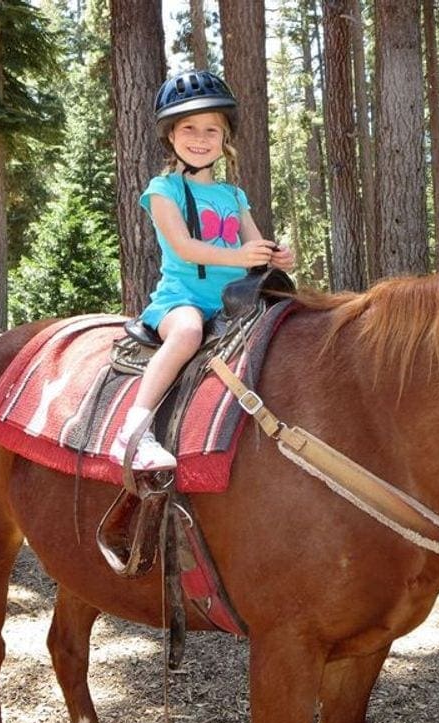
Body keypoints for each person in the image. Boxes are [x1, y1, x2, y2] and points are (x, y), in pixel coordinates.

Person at [110, 70, 295, 471]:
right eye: (189, 127)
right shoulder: (164, 190)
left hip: (235, 304)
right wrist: (240, 257)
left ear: (225, 138)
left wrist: (276, 256)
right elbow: (183, 246)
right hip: (183, 300)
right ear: (171, 136)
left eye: (212, 129)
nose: (200, 137)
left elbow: (255, 246)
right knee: (188, 332)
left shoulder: (233, 194)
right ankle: (134, 429)